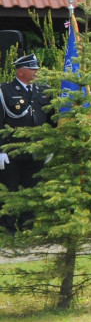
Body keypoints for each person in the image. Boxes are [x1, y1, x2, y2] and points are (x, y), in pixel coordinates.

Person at [0, 53, 53, 231]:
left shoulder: (44, 90)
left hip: (36, 149)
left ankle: (28, 227)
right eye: (32, 69)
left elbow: (51, 119)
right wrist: (0, 150)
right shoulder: (5, 91)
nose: (36, 71)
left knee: (32, 189)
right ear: (20, 71)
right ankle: (7, 228)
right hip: (12, 150)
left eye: (36, 68)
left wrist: (50, 145)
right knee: (10, 190)